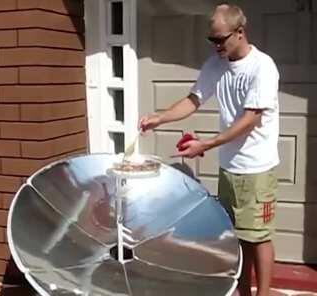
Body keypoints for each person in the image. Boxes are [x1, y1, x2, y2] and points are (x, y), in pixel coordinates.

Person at [139, 4, 279, 296]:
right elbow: (193, 100)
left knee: (258, 237)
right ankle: (242, 291)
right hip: (230, 167)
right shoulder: (216, 64)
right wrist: (159, 118)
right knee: (237, 237)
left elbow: (250, 119)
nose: (216, 46)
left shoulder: (262, 66)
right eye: (211, 40)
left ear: (239, 33)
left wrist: (207, 144)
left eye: (220, 39)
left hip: (257, 168)